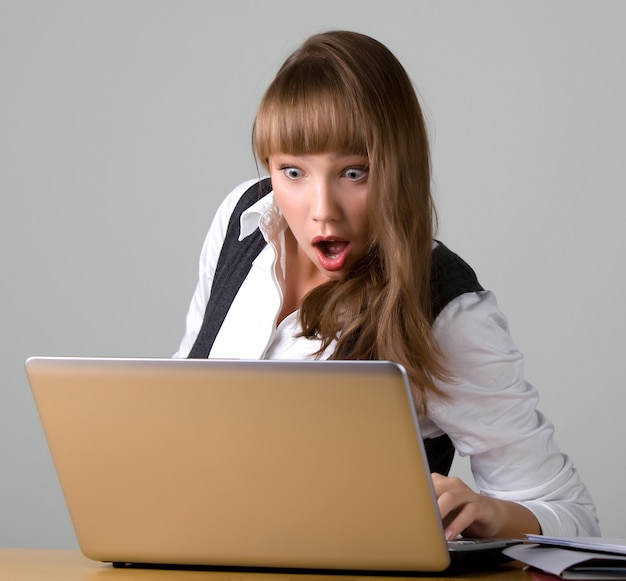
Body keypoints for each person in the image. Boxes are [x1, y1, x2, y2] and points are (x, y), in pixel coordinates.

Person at [174, 30, 600, 539]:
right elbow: (182, 401)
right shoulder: (242, 219)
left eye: (354, 173)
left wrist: (496, 514)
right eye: (293, 172)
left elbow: (572, 517)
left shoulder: (443, 306)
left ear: (398, 169)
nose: (321, 210)